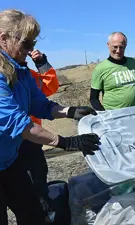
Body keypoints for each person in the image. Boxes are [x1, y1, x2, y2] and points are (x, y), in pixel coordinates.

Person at [0, 9, 100, 225]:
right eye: (26, 43)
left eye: (33, 44)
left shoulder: (21, 70)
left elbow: (40, 104)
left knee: (33, 212)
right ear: (4, 39)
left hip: (8, 159)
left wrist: (70, 111)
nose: (30, 50)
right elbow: (18, 124)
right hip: (8, 149)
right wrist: (66, 142)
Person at [18, 48, 59, 211]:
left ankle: (42, 214)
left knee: (38, 181)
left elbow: (50, 87)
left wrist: (42, 64)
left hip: (33, 140)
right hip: (7, 143)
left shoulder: (29, 76)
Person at [90, 32, 135, 111]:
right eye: (115, 47)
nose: (118, 51)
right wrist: (105, 115)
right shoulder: (100, 69)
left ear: (126, 46)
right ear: (108, 45)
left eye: (121, 47)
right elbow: (93, 98)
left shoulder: (133, 62)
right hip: (114, 117)